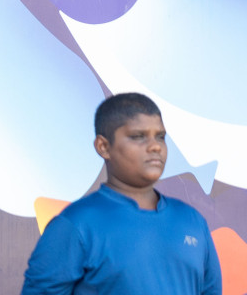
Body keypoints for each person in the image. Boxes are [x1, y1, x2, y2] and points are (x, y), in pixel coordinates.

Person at [20, 92, 220, 295]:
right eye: (138, 137)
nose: (155, 147)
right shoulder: (75, 225)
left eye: (160, 137)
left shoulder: (192, 220)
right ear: (103, 146)